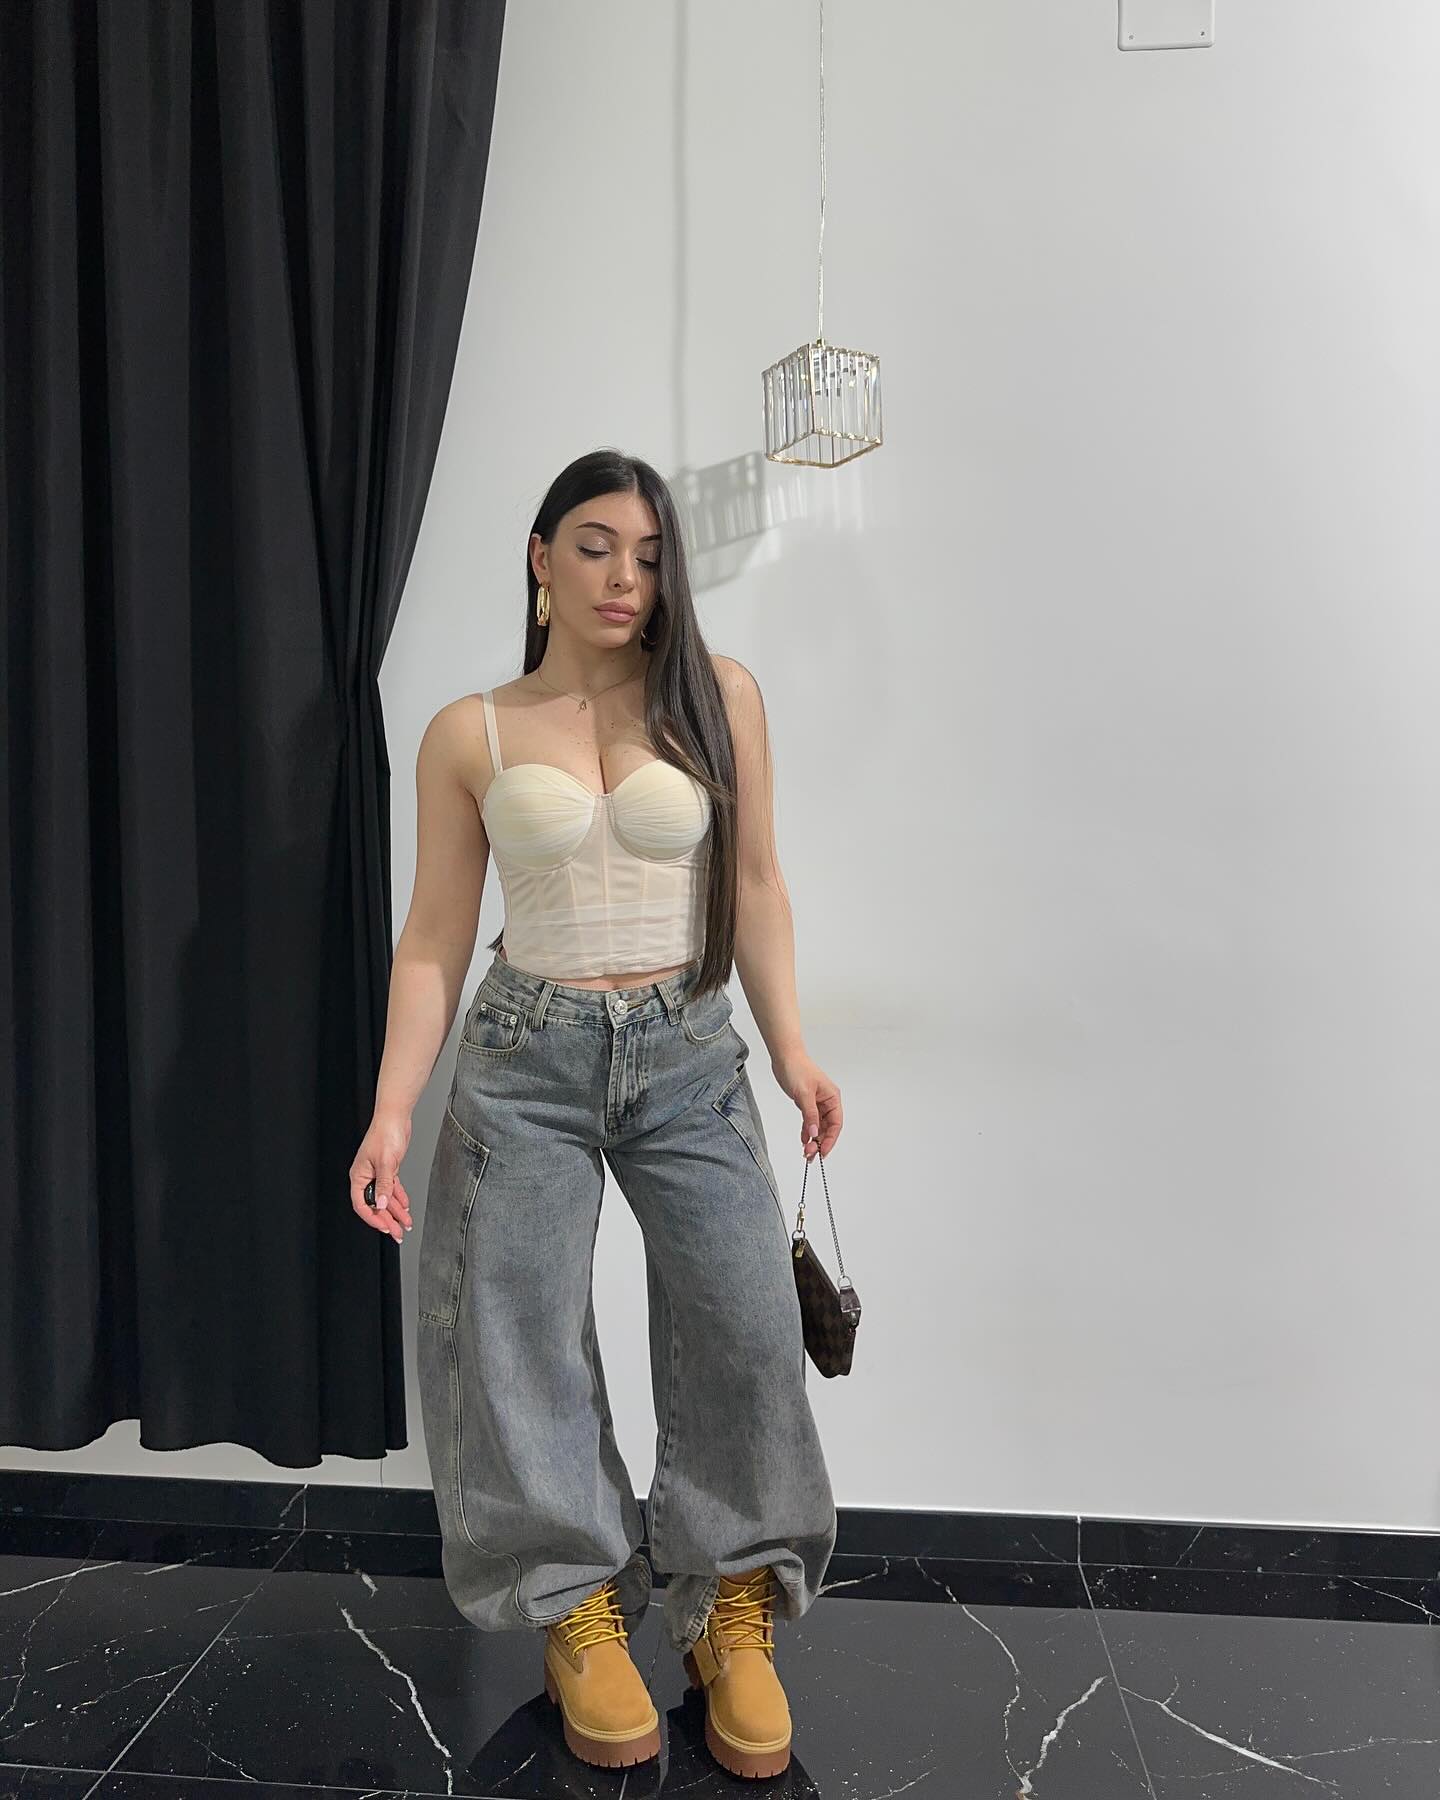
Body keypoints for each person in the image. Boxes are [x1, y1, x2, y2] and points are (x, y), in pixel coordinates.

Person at [349, 448, 843, 1779]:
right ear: (540, 557)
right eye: (595, 546)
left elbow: (759, 883)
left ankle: (730, 1608)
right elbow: (432, 938)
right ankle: (576, 1607)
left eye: (650, 554)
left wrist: (793, 1052)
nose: (626, 577)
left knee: (744, 1322)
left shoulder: (719, 697)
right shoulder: (471, 731)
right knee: (517, 1339)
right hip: (528, 1054)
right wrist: (392, 1110)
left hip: (688, 1052)